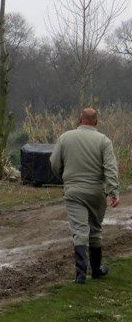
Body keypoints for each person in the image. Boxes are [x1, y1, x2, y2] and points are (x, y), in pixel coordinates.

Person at [50, 107, 120, 284]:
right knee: (95, 230)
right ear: (96, 122)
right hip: (96, 191)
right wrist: (113, 191)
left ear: (79, 120)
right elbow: (110, 168)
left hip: (74, 191)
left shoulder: (65, 138)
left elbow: (54, 163)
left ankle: (80, 275)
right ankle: (96, 270)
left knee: (80, 230)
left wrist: (65, 177)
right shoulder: (104, 141)